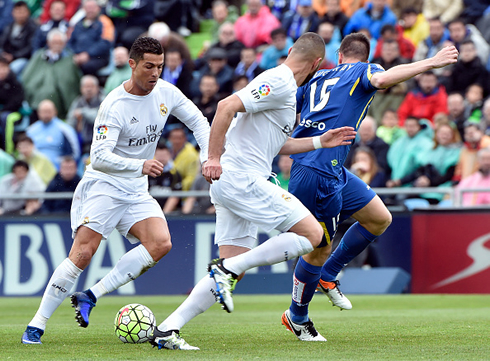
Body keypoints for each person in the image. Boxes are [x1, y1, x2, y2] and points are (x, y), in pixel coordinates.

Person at [149, 32, 356, 350]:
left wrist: (319, 141)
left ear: (290, 51)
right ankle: (226, 269)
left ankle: (167, 328)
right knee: (314, 235)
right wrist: (213, 157)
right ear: (317, 64)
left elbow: (277, 144)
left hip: (236, 183)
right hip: (242, 179)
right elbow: (225, 105)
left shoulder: (282, 88)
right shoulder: (281, 81)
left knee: (236, 267)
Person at [21, 36, 211, 345]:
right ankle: (37, 325)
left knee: (161, 243)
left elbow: (200, 123)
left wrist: (207, 159)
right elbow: (99, 157)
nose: (155, 73)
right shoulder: (114, 105)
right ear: (132, 64)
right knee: (83, 252)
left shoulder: (166, 92)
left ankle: (91, 294)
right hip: (105, 185)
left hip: (135, 189)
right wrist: (140, 165)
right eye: (148, 66)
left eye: (160, 67)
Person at [281, 33, 457, 342]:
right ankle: (297, 316)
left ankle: (328, 277)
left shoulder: (319, 77)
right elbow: (384, 79)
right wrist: (432, 62)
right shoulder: (363, 70)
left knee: (379, 218)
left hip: (332, 169)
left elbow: (286, 108)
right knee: (318, 249)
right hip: (316, 171)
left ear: (339, 53)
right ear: (367, 56)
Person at [22, 28, 81, 119]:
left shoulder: (69, 59)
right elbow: (29, 76)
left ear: (64, 44)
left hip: (59, 98)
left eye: (59, 42)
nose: (56, 45)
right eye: (54, 42)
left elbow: (71, 81)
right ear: (48, 43)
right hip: (37, 95)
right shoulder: (39, 56)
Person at [26, 99, 80, 170]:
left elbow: (74, 154)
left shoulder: (65, 129)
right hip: (35, 169)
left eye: (49, 111)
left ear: (55, 111)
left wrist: (59, 162)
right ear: (38, 113)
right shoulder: (31, 130)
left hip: (57, 169)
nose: (46, 114)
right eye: (44, 112)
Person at [66, 75, 105, 155]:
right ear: (81, 89)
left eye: (91, 86)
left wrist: (83, 112)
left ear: (97, 88)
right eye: (86, 87)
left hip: (101, 144)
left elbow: (100, 118)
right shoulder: (78, 102)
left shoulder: (103, 101)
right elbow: (69, 123)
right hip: (82, 145)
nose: (89, 89)